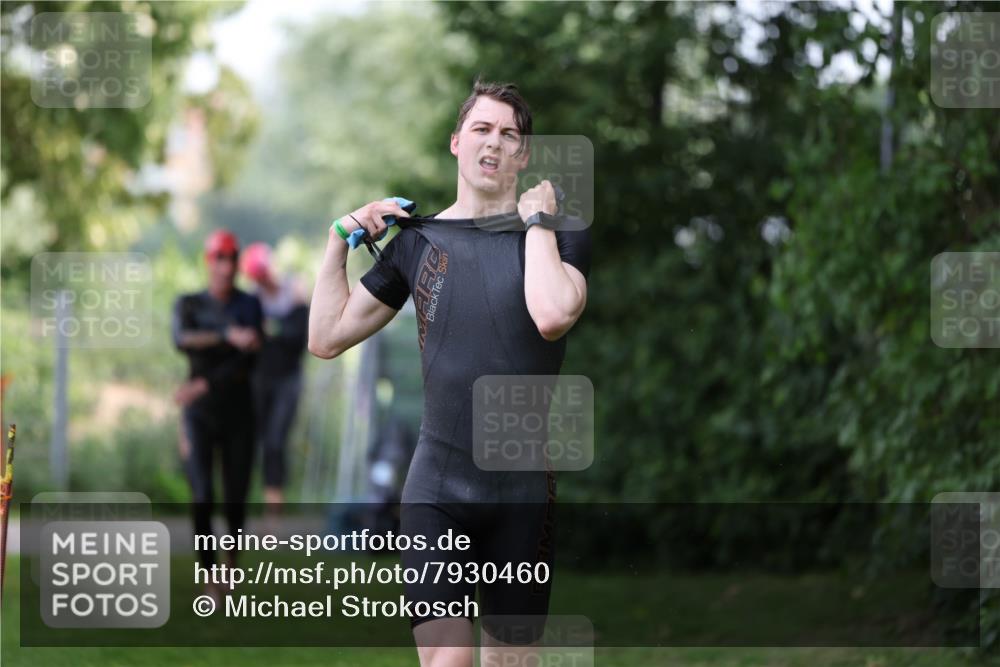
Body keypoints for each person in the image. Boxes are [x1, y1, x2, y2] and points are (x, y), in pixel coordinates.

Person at [308, 80, 590, 667]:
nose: (495, 143)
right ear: (457, 142)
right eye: (482, 129)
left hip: (521, 496)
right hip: (437, 491)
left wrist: (536, 223)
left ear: (524, 155)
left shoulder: (559, 235)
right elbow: (326, 337)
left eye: (510, 134)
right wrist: (339, 240)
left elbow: (553, 314)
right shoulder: (419, 244)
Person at [173, 229, 263, 599]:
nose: (226, 268)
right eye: (219, 259)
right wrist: (227, 335)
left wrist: (203, 385)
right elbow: (181, 338)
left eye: (232, 259)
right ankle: (210, 576)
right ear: (210, 262)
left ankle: (231, 567)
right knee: (202, 495)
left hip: (239, 413)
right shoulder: (190, 303)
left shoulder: (249, 305)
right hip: (198, 417)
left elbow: (249, 356)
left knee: (235, 498)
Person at [239, 242, 310, 507]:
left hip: (288, 379)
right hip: (260, 380)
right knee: (257, 442)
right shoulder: (252, 300)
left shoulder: (295, 293)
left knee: (275, 440)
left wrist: (270, 331)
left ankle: (274, 509)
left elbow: (297, 337)